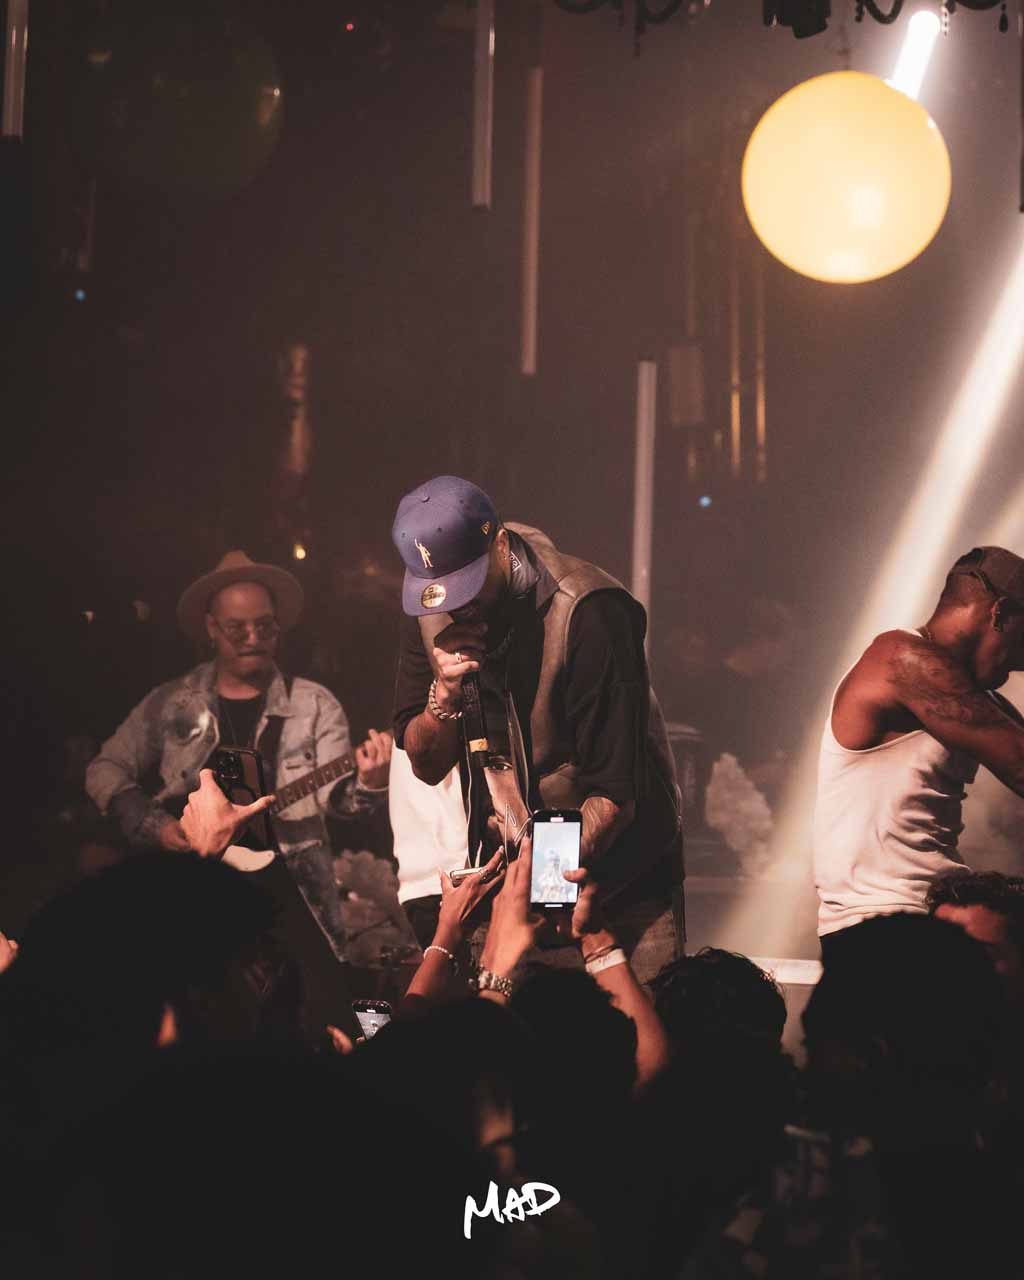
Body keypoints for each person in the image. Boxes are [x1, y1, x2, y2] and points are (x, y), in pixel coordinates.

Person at [390, 476, 684, 984]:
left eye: (468, 585)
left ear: (501, 544)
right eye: (442, 593)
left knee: (633, 1033)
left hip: (621, 888)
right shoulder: (432, 613)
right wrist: (445, 697)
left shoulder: (590, 610)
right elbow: (427, 764)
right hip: (514, 879)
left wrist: (540, 887)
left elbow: (615, 792)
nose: (457, 606)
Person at [85, 550, 393, 959]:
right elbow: (104, 769)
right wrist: (155, 825)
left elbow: (335, 800)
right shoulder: (171, 702)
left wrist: (369, 783)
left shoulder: (316, 704)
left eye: (264, 626)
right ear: (211, 628)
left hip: (292, 901)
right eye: (236, 628)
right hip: (186, 893)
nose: (252, 638)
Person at [814, 545, 1024, 952]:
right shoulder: (898, 657)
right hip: (880, 924)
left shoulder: (975, 696)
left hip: (930, 917)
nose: (1020, 664)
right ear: (999, 613)